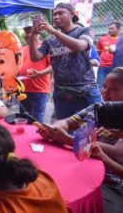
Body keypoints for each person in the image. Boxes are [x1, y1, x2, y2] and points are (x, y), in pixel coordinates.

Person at [37, 67, 123, 213]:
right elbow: (67, 121)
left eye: (113, 89)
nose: (105, 93)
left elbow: (117, 152)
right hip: (80, 166)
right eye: (104, 87)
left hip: (108, 182)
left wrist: (68, 139)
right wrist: (54, 129)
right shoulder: (98, 109)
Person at [29, 3, 102, 120]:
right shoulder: (50, 40)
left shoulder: (85, 31)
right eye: (54, 14)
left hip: (86, 90)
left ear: (72, 14)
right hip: (62, 93)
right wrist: (33, 34)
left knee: (97, 127)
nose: (56, 17)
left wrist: (54, 32)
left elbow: (79, 46)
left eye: (60, 13)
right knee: (65, 130)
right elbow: (35, 57)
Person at [19, 26, 52, 123]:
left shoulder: (44, 48)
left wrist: (40, 73)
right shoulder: (22, 50)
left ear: (38, 34)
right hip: (23, 90)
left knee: (36, 121)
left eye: (31, 32)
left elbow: (53, 66)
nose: (28, 35)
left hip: (39, 90)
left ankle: (36, 138)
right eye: (26, 33)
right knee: (23, 119)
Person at [96, 22, 121, 88]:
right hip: (103, 66)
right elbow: (98, 52)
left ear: (118, 29)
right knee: (100, 84)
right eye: (109, 28)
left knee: (115, 85)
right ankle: (100, 98)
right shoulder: (102, 39)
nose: (110, 30)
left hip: (116, 67)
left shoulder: (121, 39)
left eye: (112, 28)